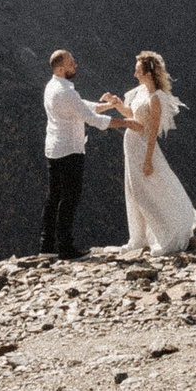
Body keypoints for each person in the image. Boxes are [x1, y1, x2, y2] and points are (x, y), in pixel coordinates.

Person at [101, 50, 196, 256]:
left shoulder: (156, 98)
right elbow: (131, 113)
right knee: (133, 192)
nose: (135, 74)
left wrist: (148, 160)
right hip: (132, 148)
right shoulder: (140, 92)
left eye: (138, 70)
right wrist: (117, 104)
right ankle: (138, 238)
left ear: (148, 73)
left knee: (146, 194)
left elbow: (151, 131)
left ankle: (165, 236)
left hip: (144, 149)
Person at [41, 49, 128, 260]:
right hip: (70, 151)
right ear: (61, 69)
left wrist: (109, 106)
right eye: (71, 63)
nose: (76, 65)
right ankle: (66, 248)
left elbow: (82, 107)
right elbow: (92, 120)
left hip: (54, 149)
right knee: (69, 200)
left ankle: (47, 246)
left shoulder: (52, 87)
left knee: (54, 198)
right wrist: (127, 123)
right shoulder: (66, 93)